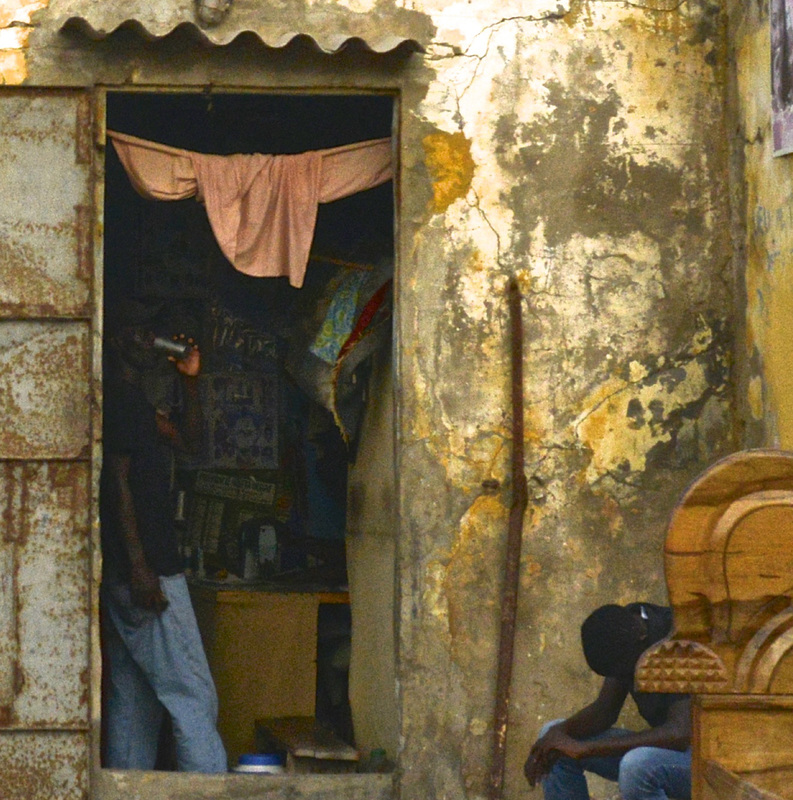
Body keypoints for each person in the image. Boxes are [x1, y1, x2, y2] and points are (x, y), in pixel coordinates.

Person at [100, 300, 227, 772]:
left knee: (133, 706)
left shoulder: (136, 404)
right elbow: (117, 483)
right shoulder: (122, 400)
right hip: (147, 572)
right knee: (193, 697)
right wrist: (140, 567)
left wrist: (189, 381)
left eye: (147, 331)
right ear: (112, 340)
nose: (143, 338)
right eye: (132, 331)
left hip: (131, 574)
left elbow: (190, 443)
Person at [524, 602, 691, 800]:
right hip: (665, 752)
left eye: (626, 671)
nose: (629, 678)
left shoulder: (679, 638)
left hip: (701, 759)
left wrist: (588, 749)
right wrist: (556, 734)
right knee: (555, 744)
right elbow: (605, 711)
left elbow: (679, 734)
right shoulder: (624, 630)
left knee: (635, 766)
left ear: (641, 638)